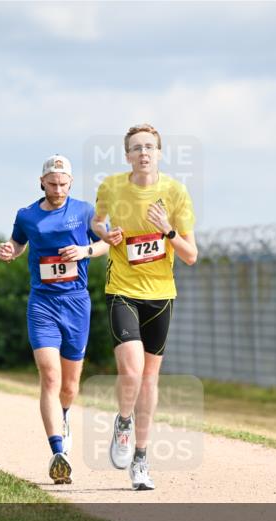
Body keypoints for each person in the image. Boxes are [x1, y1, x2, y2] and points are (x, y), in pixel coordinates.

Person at [90, 123, 198, 491]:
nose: (143, 153)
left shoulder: (175, 192)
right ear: (127, 156)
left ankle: (140, 458)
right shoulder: (112, 187)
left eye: (149, 147)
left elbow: (191, 255)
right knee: (132, 372)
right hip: (122, 289)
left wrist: (168, 231)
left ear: (160, 153)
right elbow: (97, 222)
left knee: (150, 378)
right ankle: (123, 421)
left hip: (161, 295)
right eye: (136, 148)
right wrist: (106, 235)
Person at [0, 154, 108, 485]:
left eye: (63, 183)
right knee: (49, 376)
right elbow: (18, 242)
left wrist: (85, 251)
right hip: (42, 304)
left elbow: (108, 241)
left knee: (70, 386)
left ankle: (64, 416)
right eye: (52, 183)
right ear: (42, 182)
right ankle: (57, 451)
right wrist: (10, 251)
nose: (58, 188)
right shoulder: (27, 215)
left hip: (76, 303)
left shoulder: (86, 211)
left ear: (70, 183)